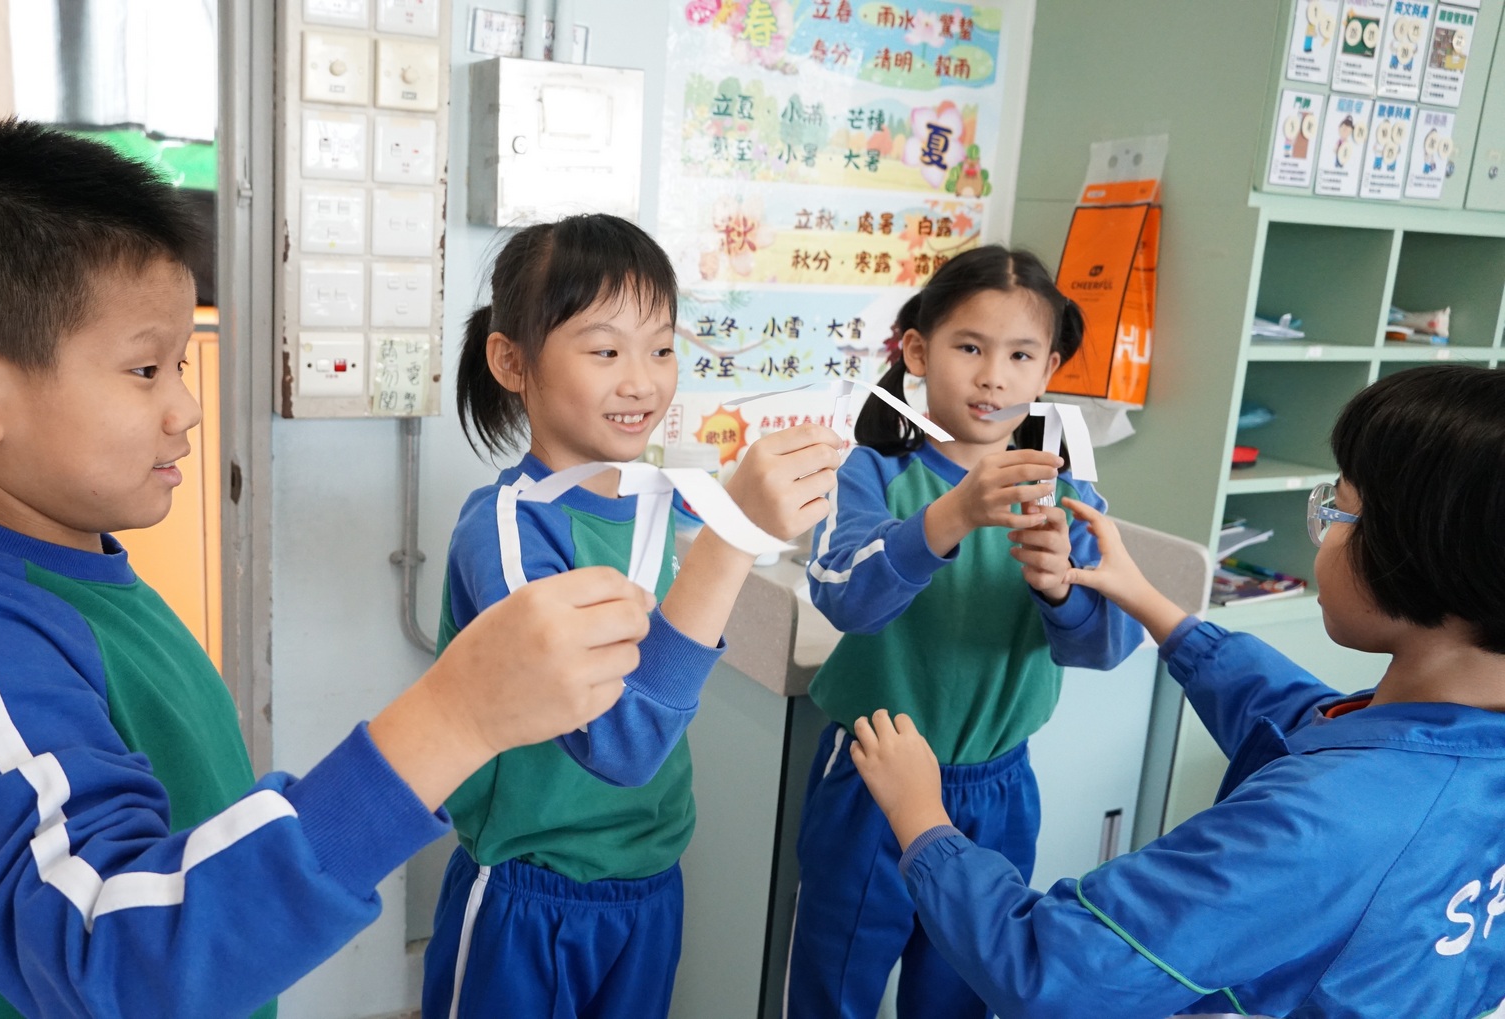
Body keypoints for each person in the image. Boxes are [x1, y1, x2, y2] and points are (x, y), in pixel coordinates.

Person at [0, 119, 657, 1017]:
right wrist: (452, 718)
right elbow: (112, 953)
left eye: (179, 364)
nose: (186, 408)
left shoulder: (86, 576)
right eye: (145, 369)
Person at [848, 363, 1505, 1018]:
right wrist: (1146, 599)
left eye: (1339, 509)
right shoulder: (1448, 744)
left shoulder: (1321, 824)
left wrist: (921, 816)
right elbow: (1298, 717)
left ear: (1420, 553)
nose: (993, 379)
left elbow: (1050, 968)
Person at [422, 213, 841, 1019]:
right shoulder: (506, 529)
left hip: (648, 885)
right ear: (512, 361)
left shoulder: (663, 503)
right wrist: (735, 535)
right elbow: (616, 743)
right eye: (606, 351)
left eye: (661, 348)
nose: (643, 382)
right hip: (526, 891)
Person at [788, 245, 1143, 1018]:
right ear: (919, 351)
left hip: (998, 789)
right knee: (832, 985)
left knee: (963, 992)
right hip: (874, 777)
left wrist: (1061, 589)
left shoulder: (1067, 490)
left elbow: (1110, 643)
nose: (993, 377)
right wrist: (949, 516)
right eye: (970, 348)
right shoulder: (871, 472)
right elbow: (843, 596)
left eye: (1019, 355)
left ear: (1048, 368)